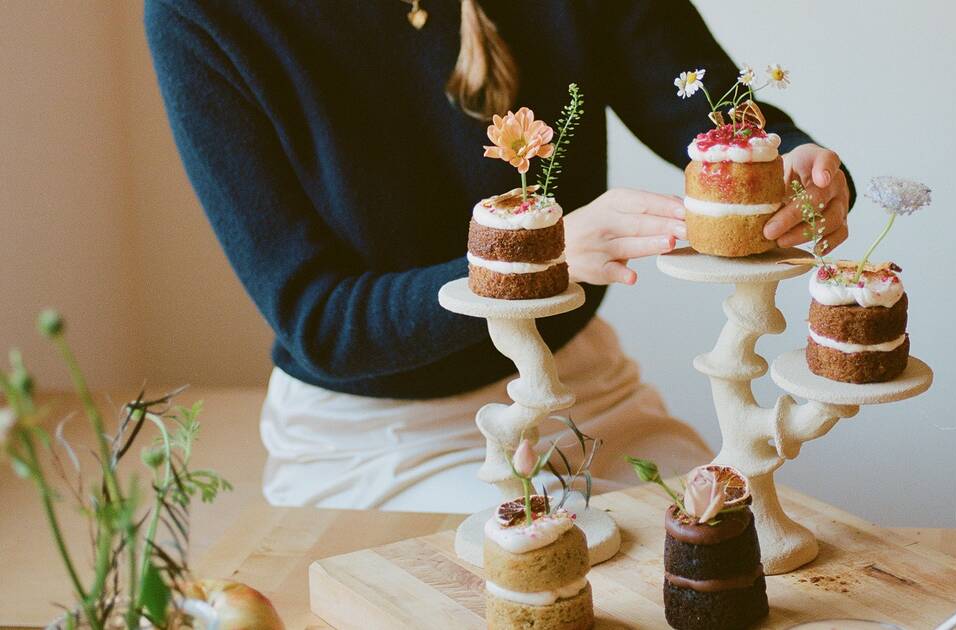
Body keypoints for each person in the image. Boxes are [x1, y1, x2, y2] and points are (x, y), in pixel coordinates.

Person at [145, 0, 854, 513]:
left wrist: (803, 166)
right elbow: (322, 321)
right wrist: (535, 259)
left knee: (735, 537)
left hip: (580, 388)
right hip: (377, 437)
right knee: (575, 571)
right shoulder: (200, 16)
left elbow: (721, 116)